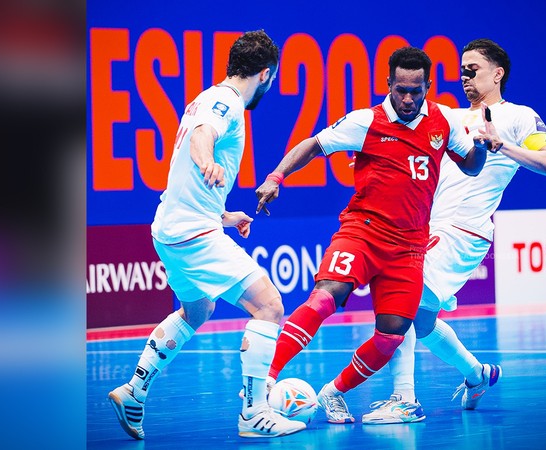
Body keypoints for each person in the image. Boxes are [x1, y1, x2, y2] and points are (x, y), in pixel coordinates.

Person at [254, 46, 488, 424]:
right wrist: (275, 177)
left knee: (392, 335)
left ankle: (333, 393)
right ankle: (264, 380)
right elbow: (314, 145)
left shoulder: (443, 120)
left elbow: (472, 166)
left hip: (409, 247)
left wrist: (481, 145)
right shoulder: (366, 121)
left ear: (428, 86)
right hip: (363, 233)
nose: (408, 99)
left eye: (416, 91)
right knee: (325, 297)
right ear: (388, 84)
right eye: (401, 90)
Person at [107, 30, 306, 439]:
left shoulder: (206, 96)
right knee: (269, 307)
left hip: (171, 229)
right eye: (272, 78)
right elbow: (203, 136)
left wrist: (224, 216)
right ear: (265, 74)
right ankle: (254, 414)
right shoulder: (227, 102)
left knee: (197, 310)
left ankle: (133, 391)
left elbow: (192, 164)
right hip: (192, 234)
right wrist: (206, 162)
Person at [361, 38, 546, 424]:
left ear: (497, 74)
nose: (465, 77)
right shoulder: (448, 118)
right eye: (462, 71)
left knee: (401, 300)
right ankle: (477, 374)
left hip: (464, 230)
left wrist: (501, 146)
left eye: (473, 70)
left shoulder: (518, 117)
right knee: (421, 322)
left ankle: (404, 399)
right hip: (428, 227)